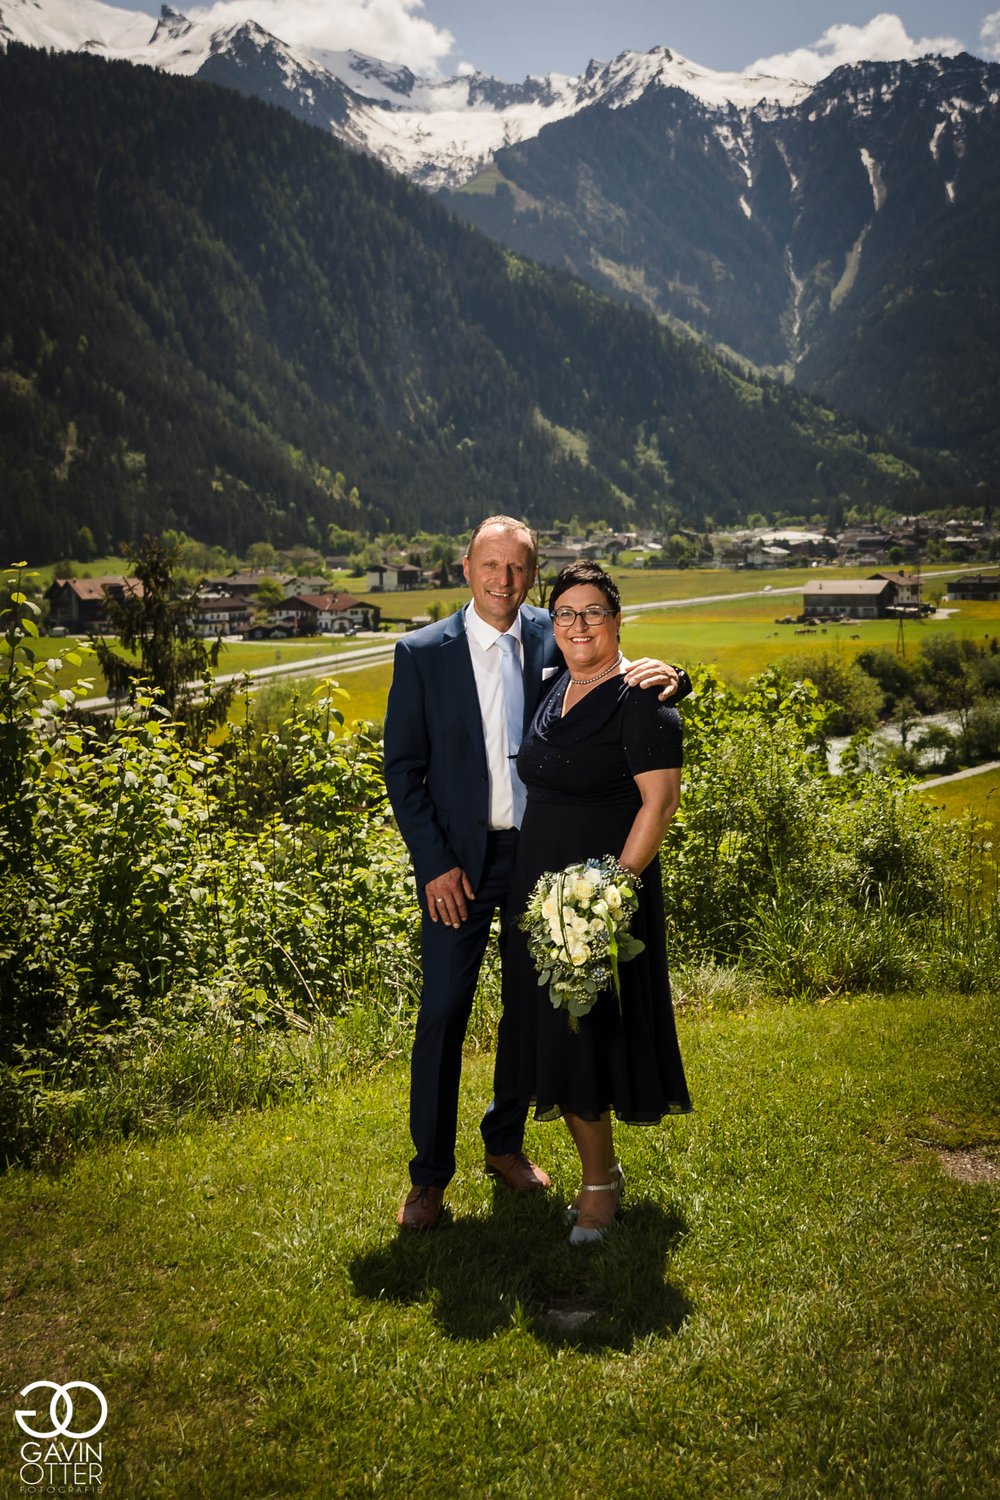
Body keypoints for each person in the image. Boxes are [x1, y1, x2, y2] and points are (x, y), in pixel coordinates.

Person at [383, 517, 690, 1231]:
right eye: (490, 565)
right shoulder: (423, 652)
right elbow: (402, 769)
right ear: (466, 568)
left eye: (516, 568)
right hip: (459, 866)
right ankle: (428, 1176)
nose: (503, 580)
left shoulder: (555, 634)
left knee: (529, 1010)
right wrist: (434, 864)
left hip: (540, 862)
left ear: (531, 571)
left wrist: (678, 674)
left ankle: (505, 1143)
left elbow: (619, 679)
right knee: (442, 1014)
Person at [493, 559, 692, 1245]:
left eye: (594, 613)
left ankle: (600, 1184)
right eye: (567, 614)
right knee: (554, 1031)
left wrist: (609, 894)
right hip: (536, 891)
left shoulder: (642, 699)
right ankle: (593, 1171)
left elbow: (659, 803)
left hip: (596, 896)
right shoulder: (552, 685)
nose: (579, 626)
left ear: (617, 621)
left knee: (587, 1038)